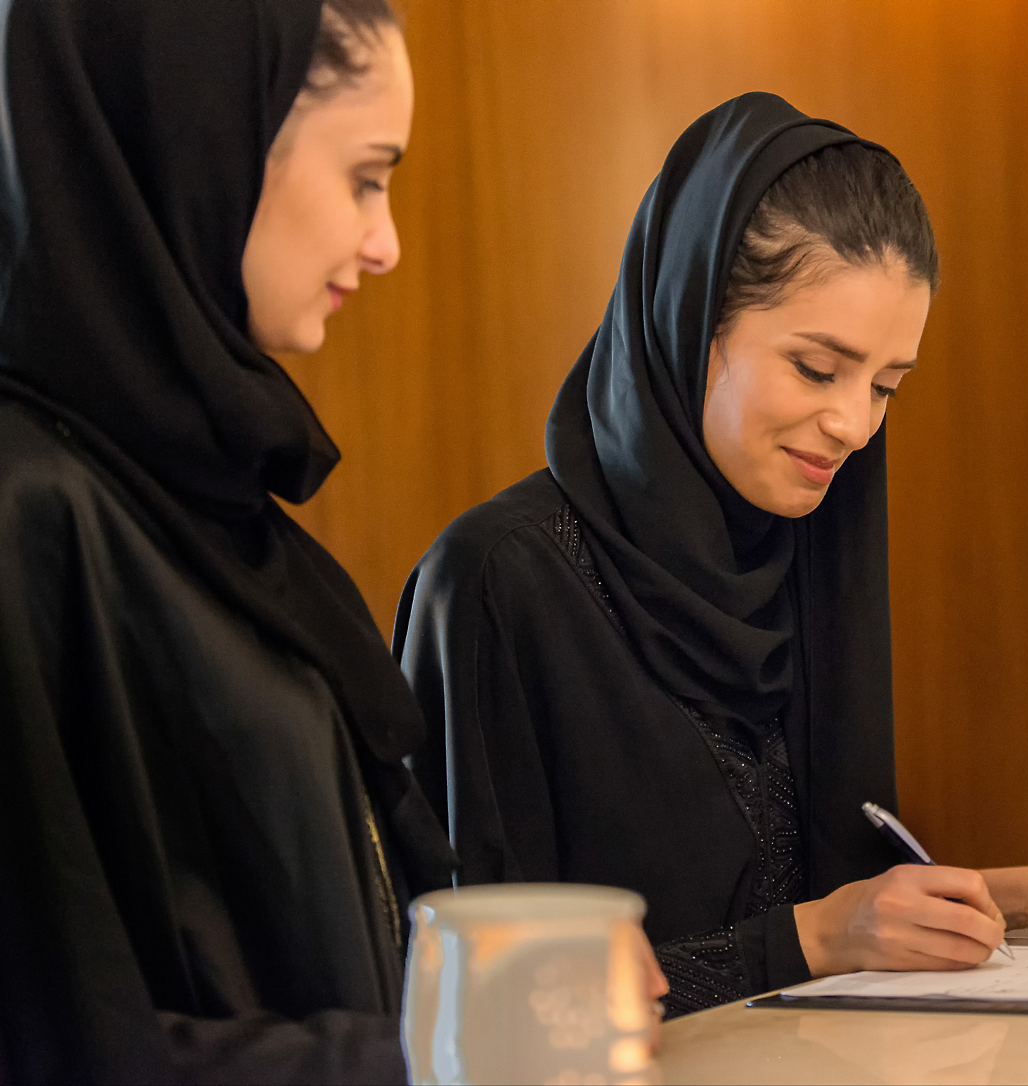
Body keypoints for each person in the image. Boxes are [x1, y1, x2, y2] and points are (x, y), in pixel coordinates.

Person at [395, 92, 1028, 1018]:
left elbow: (807, 900)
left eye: (887, 386)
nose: (854, 425)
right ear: (691, 321)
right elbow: (477, 1002)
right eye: (818, 369)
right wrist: (815, 939)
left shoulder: (805, 557)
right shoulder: (499, 582)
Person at [0, 1, 457, 1081]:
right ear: (211, 142)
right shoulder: (31, 510)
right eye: (365, 176)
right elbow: (52, 1043)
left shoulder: (214, 504)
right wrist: (433, 1058)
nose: (384, 243)